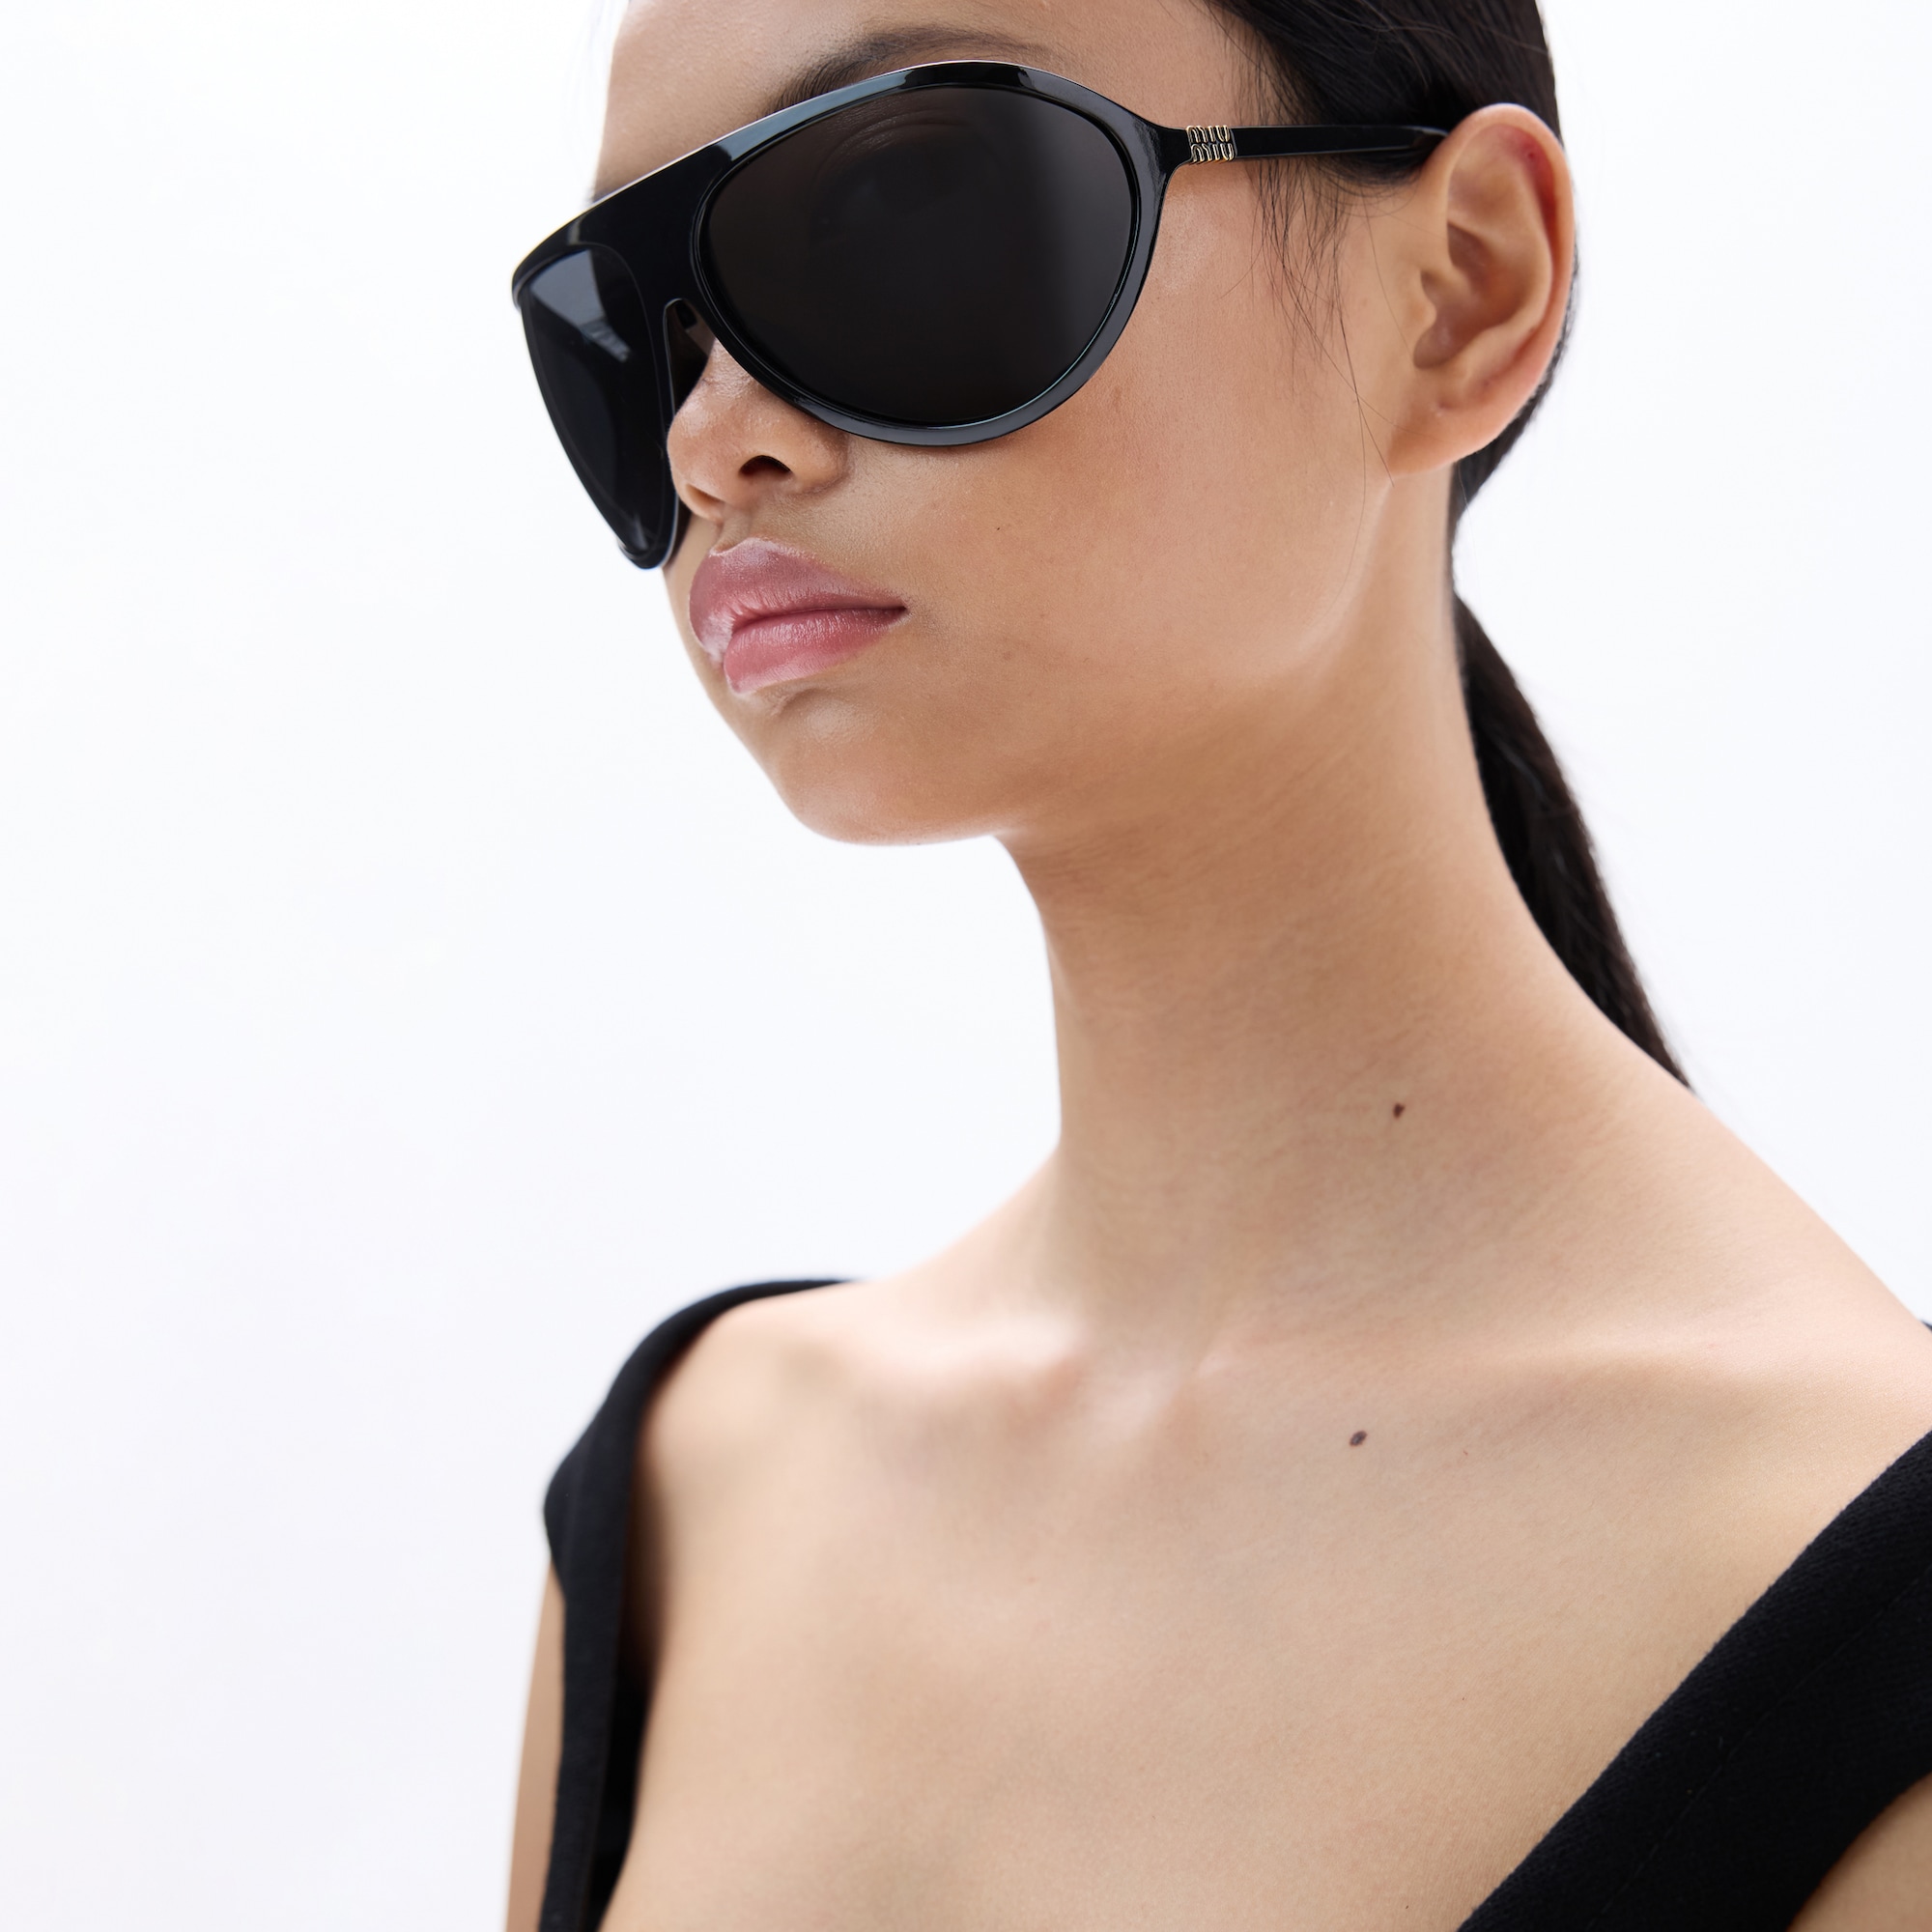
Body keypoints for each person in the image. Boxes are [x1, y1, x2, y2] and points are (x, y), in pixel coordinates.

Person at [502, 3, 1932, 1926]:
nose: (710, 438)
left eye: (903, 210)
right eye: (635, 321)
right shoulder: (685, 1505)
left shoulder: (1843, 1571)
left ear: (1459, 288)